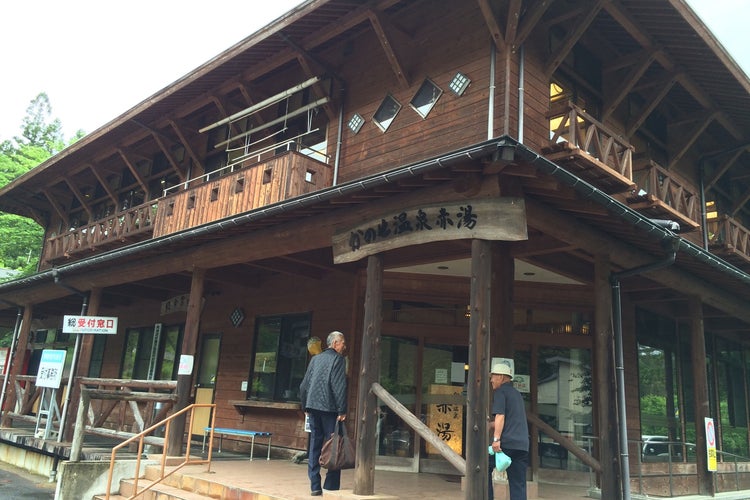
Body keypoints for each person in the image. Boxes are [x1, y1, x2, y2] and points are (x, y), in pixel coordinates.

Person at [299, 331, 348, 496]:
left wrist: (305, 406)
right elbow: (339, 386)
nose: (344, 347)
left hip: (313, 408)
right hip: (330, 410)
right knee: (334, 445)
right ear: (335, 343)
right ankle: (331, 484)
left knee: (315, 445)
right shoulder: (338, 360)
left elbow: (304, 385)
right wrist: (342, 409)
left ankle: (314, 485)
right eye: (343, 343)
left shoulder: (315, 359)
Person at [489, 362, 529, 500]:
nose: (491, 380)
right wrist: (490, 425)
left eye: (493, 376)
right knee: (518, 484)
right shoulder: (517, 394)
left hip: (506, 444)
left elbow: (500, 416)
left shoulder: (500, 392)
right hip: (522, 445)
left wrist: (496, 440)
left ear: (500, 377)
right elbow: (510, 420)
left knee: (481, 466)